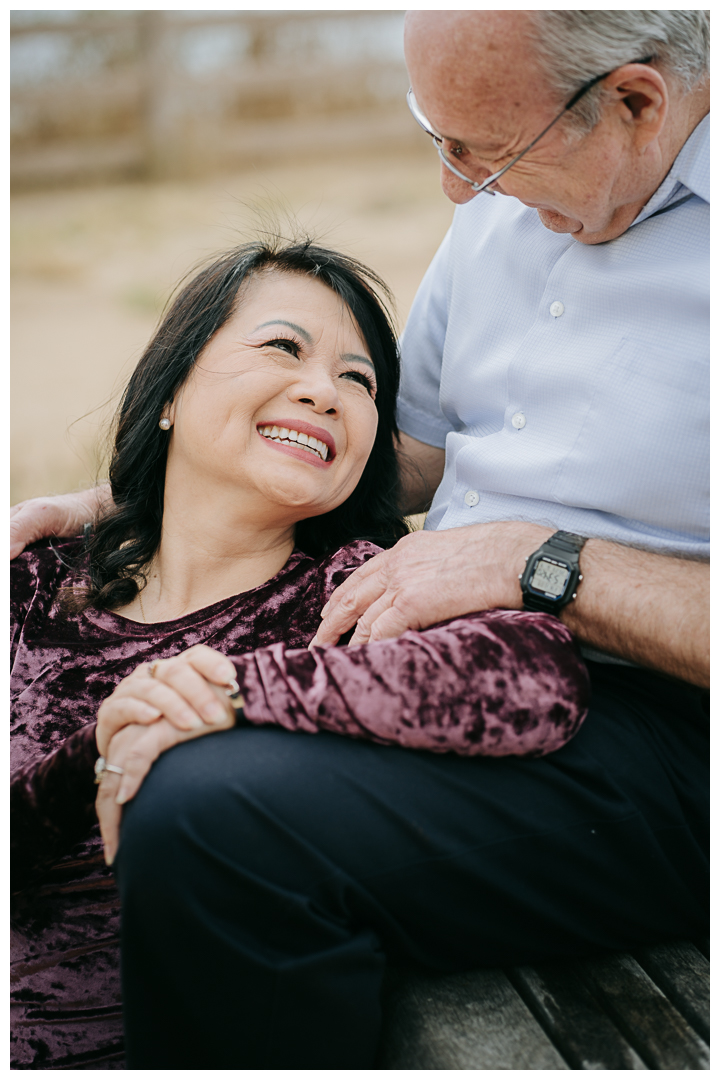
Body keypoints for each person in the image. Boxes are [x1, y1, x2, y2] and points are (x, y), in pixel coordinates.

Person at [10, 9, 708, 1070]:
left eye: (487, 149)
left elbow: (521, 638)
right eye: (439, 139)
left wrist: (542, 562)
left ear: (635, 101)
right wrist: (130, 494)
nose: (458, 188)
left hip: (654, 725)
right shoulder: (503, 207)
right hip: (427, 644)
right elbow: (399, 449)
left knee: (212, 812)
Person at [10, 236, 589, 1070]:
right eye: (284, 346)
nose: (325, 391)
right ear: (169, 389)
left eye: (360, 381)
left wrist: (229, 691)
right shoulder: (35, 582)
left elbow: (540, 679)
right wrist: (93, 754)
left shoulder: (354, 595)